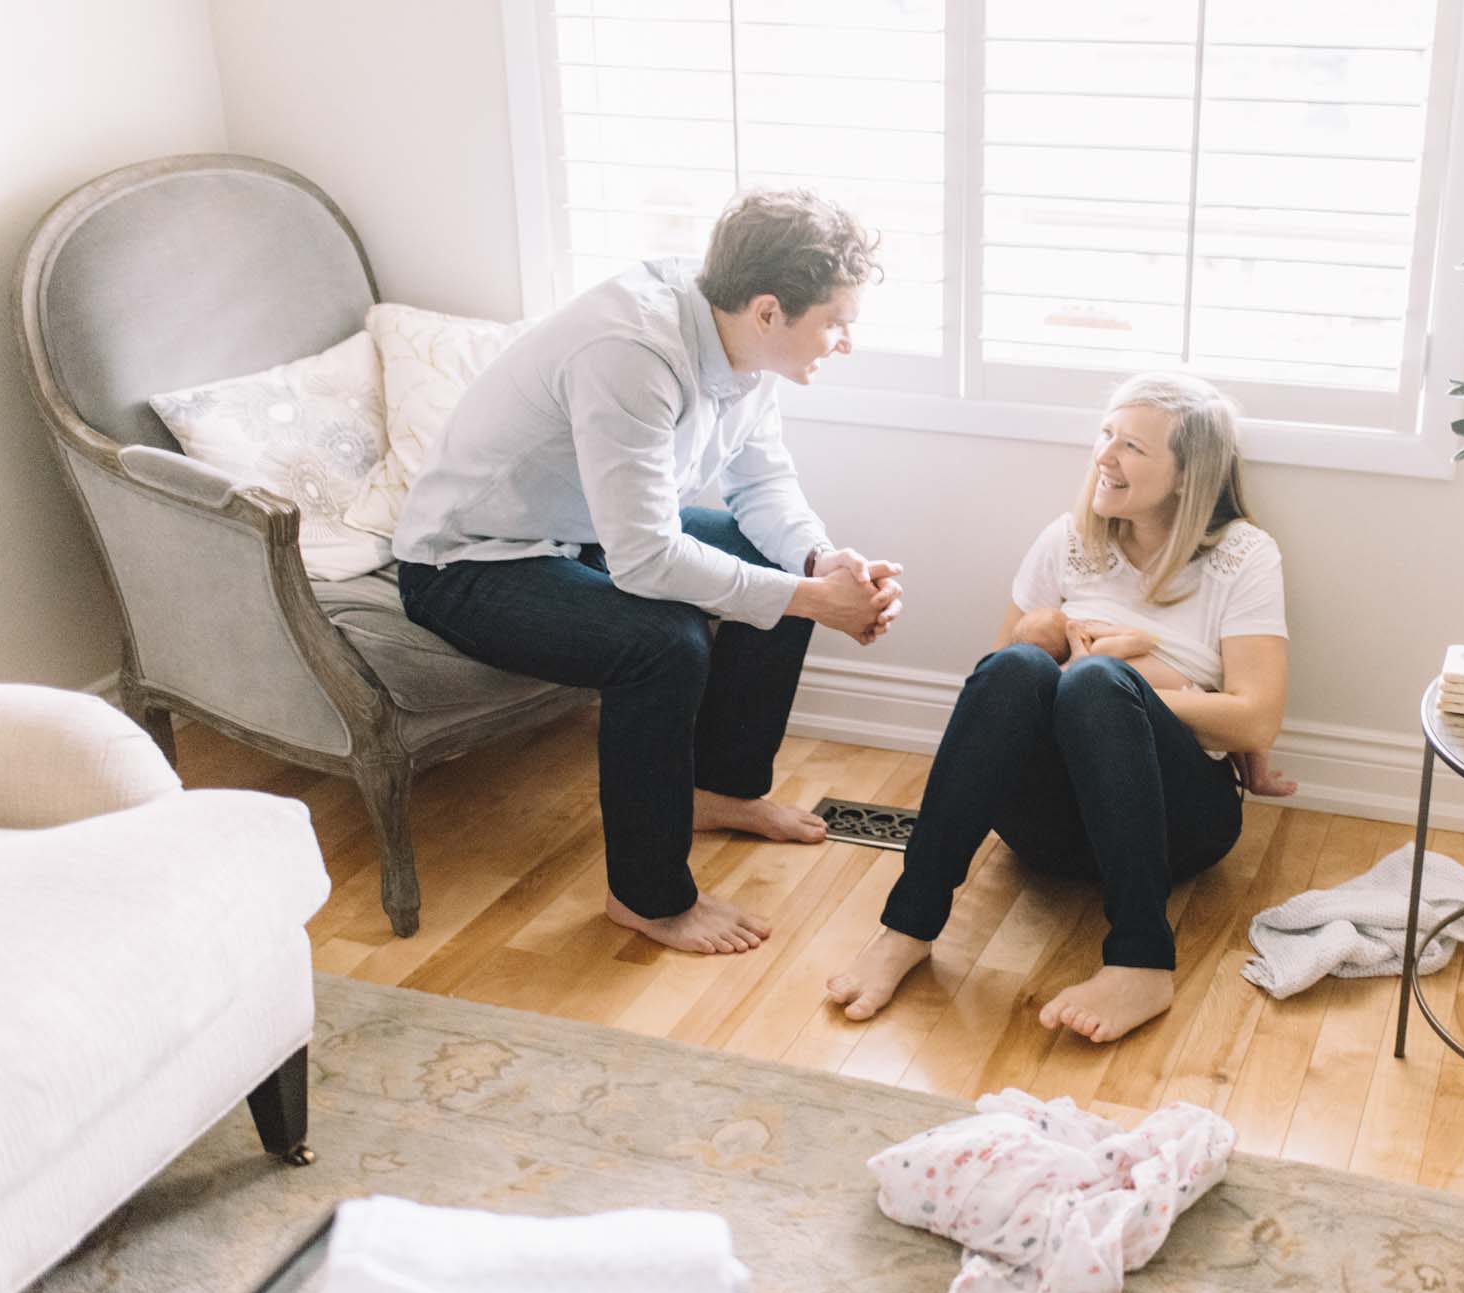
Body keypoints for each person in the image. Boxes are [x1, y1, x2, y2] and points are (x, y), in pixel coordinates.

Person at [394, 189, 903, 957]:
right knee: (665, 641)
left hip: (587, 533)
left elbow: (760, 486)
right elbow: (647, 557)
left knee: (769, 556)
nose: (844, 342)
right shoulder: (632, 350)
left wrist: (817, 561)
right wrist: (812, 601)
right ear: (769, 310)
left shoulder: (744, 339)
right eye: (836, 322)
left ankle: (722, 789)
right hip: (472, 557)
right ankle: (648, 898)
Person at [827, 372, 1291, 1043]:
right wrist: (1068, 666)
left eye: (1132, 445)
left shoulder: (1243, 555)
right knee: (1016, 666)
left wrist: (1127, 678)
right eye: (1105, 434)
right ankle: (907, 927)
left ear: (1190, 476)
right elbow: (996, 693)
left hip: (1175, 822)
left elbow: (1256, 719)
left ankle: (1141, 960)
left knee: (1096, 683)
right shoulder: (1068, 540)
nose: (1105, 455)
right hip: (1049, 830)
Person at [1008, 607, 1297, 798]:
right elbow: (1144, 641)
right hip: (1181, 702)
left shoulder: (1061, 671)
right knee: (1242, 731)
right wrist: (1104, 630)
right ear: (1072, 629)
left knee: (1243, 726)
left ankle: (1255, 777)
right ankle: (1257, 777)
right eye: (1068, 619)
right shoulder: (1097, 648)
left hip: (1170, 706)